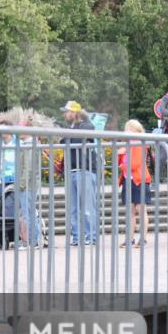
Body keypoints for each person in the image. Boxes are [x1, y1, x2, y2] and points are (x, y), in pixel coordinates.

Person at [59, 101, 99, 246]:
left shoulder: (87, 124)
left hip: (85, 170)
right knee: (73, 209)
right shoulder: (70, 127)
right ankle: (77, 237)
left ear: (75, 112)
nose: (65, 114)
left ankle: (91, 236)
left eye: (67, 111)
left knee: (88, 207)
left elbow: (74, 138)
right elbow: (63, 142)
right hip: (71, 171)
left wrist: (66, 137)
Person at [117, 120, 152, 248]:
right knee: (130, 210)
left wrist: (122, 166)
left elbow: (134, 164)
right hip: (129, 180)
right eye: (126, 129)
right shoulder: (126, 145)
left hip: (139, 179)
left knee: (140, 209)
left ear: (136, 131)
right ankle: (130, 239)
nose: (127, 131)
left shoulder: (139, 143)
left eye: (130, 129)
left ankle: (142, 239)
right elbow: (120, 161)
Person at [14, 122, 43, 249]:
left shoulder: (30, 145)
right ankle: (31, 240)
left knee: (29, 213)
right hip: (27, 184)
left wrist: (20, 185)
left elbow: (29, 168)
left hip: (28, 185)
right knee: (28, 213)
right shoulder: (27, 144)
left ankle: (33, 240)